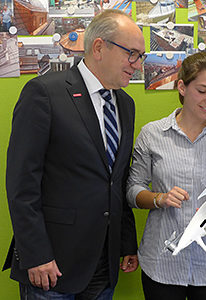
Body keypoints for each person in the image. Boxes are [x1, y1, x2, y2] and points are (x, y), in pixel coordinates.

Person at [3, 9, 145, 299]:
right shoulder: (44, 93)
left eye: (140, 56)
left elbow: (116, 181)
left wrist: (127, 243)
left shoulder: (126, 104)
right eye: (132, 54)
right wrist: (36, 254)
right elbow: (22, 184)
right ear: (99, 47)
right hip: (53, 265)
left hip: (104, 265)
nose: (137, 64)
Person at [127, 51, 206, 300]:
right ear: (182, 86)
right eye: (202, 91)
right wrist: (159, 198)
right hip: (162, 263)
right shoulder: (152, 135)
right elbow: (133, 191)